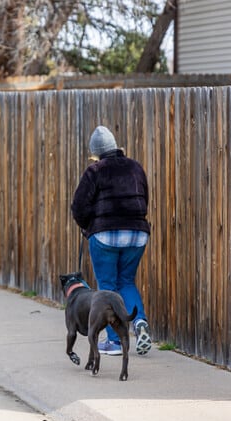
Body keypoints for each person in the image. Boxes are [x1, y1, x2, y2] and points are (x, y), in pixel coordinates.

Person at [70, 125, 152, 356]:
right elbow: (144, 199)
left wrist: (88, 227)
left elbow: (79, 207)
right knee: (126, 281)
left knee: (107, 286)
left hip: (105, 234)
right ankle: (140, 323)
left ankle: (115, 341)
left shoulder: (95, 171)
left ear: (95, 152)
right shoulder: (135, 167)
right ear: (116, 147)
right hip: (137, 234)